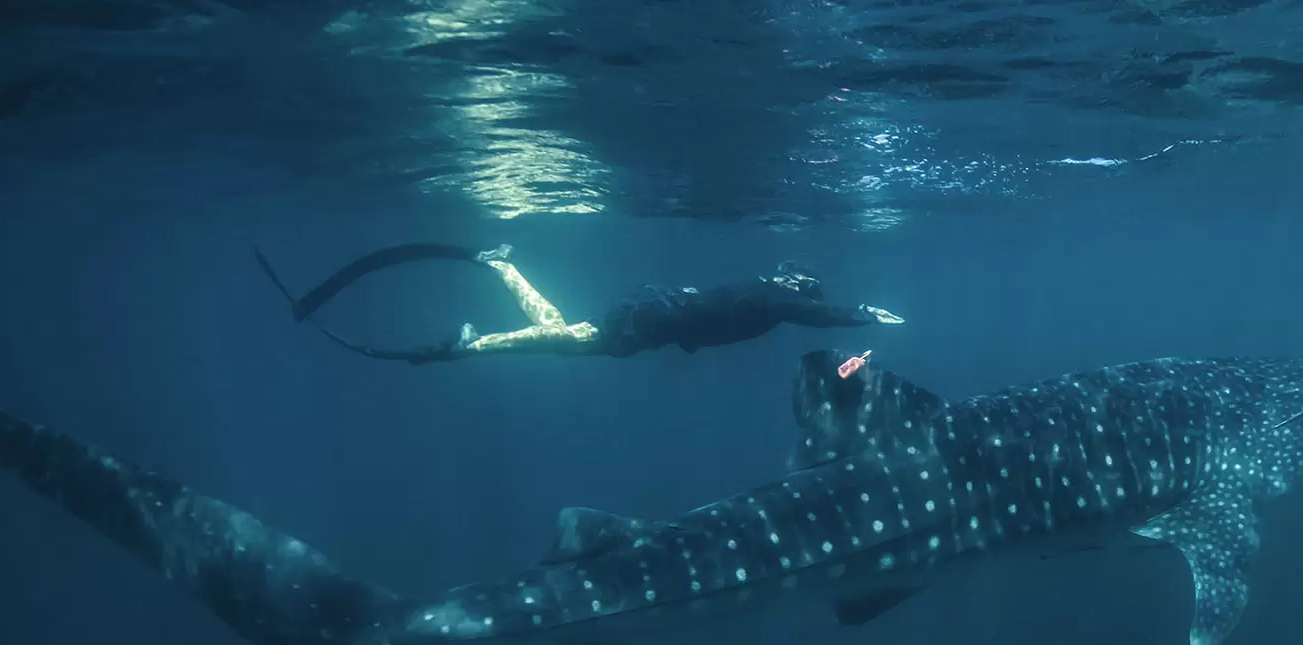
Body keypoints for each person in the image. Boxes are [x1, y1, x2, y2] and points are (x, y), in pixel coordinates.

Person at [254, 242, 905, 365]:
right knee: (556, 339)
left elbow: (792, 312)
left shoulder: (764, 295)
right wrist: (861, 315)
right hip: (639, 326)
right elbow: (807, 313)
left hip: (642, 321)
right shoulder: (772, 298)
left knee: (556, 335)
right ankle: (466, 340)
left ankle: (497, 274)